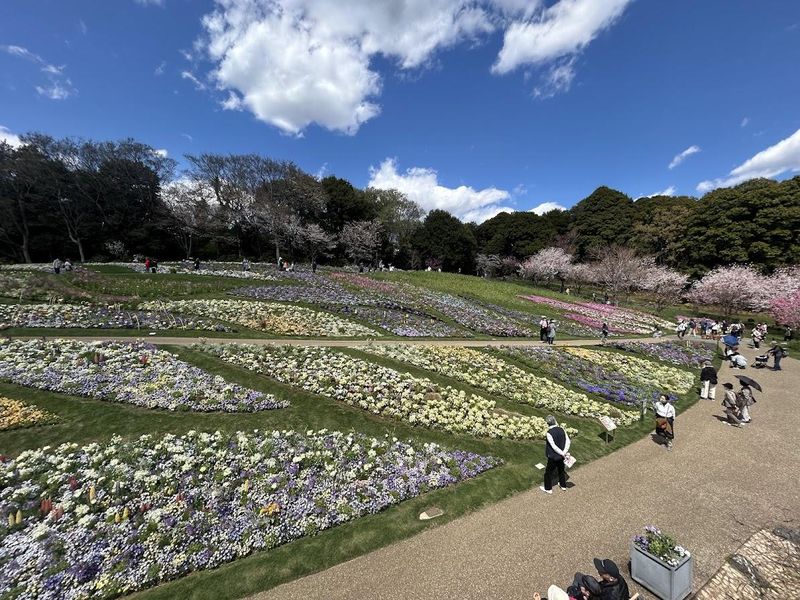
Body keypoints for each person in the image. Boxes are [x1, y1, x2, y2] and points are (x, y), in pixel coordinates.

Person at [540, 415, 571, 494]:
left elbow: (554, 446)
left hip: (553, 456)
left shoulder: (549, 433)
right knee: (561, 470)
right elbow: (568, 441)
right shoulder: (562, 429)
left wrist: (562, 453)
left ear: (547, 423)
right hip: (561, 455)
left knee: (548, 472)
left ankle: (548, 488)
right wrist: (564, 452)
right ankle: (563, 485)